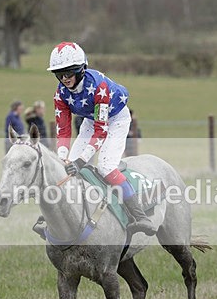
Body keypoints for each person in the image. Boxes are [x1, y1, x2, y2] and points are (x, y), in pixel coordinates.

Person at [48, 41, 155, 235]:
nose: (64, 78)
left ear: (81, 69)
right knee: (66, 168)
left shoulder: (99, 87)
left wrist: (81, 161)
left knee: (105, 167)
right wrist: (62, 157)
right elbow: (63, 130)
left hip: (116, 120)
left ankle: (141, 217)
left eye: (69, 72)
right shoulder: (60, 94)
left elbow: (101, 131)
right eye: (59, 74)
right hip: (91, 120)